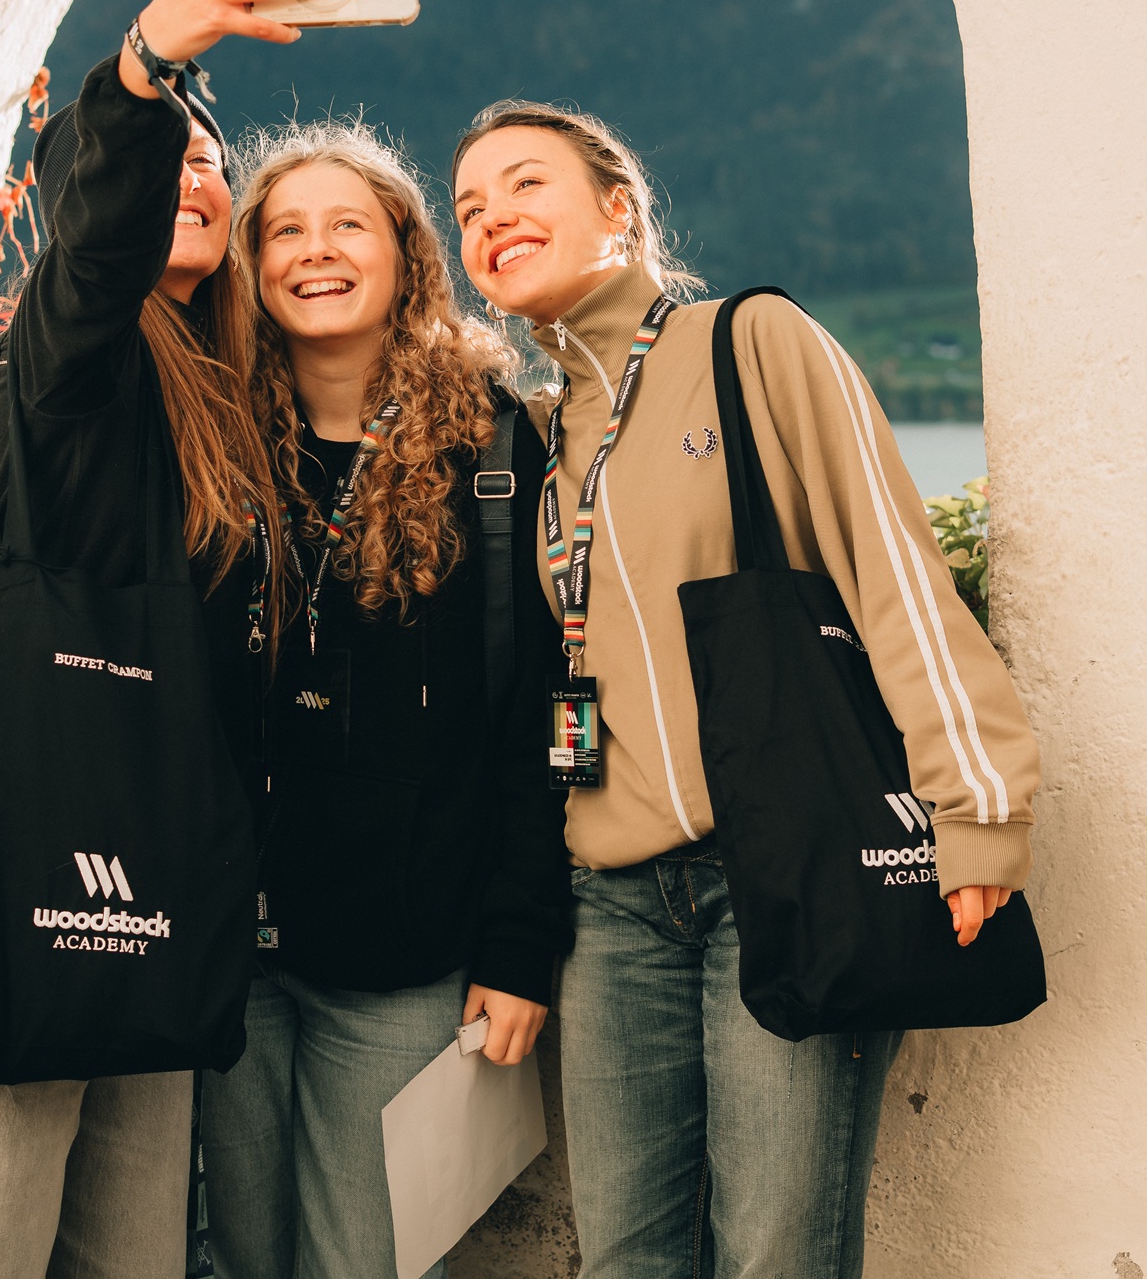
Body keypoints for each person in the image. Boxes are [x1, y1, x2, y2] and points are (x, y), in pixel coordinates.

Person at [448, 101, 1045, 1279]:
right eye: (466, 208)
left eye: (523, 184)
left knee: (775, 1255)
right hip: (612, 908)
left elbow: (891, 570)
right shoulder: (537, 439)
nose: (491, 218)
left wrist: (978, 802)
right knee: (623, 1260)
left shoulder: (749, 343)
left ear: (618, 207)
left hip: (783, 871)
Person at [0, 0, 333, 1279]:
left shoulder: (232, 405)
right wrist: (148, 68)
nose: (195, 175)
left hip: (146, 864)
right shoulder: (65, 355)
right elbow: (99, 244)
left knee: (131, 1258)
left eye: (213, 163)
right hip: (5, 849)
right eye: (169, 158)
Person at [199, 121, 572, 1279]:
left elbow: (546, 716)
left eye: (346, 225)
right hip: (228, 949)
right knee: (238, 1259)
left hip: (405, 958)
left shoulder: (494, 453)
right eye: (285, 231)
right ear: (253, 266)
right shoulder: (213, 441)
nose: (314, 250)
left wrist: (519, 946)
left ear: (406, 254)